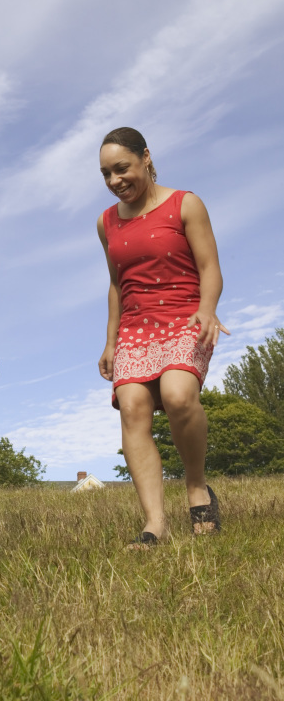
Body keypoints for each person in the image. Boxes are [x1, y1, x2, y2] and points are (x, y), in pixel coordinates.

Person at [97, 127, 229, 548]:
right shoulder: (106, 222)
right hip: (135, 326)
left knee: (176, 395)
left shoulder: (185, 204)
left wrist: (206, 309)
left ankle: (196, 488)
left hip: (184, 317)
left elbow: (210, 267)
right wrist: (111, 340)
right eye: (106, 174)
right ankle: (155, 521)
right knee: (132, 405)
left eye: (122, 168)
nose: (116, 180)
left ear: (146, 158)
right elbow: (117, 283)